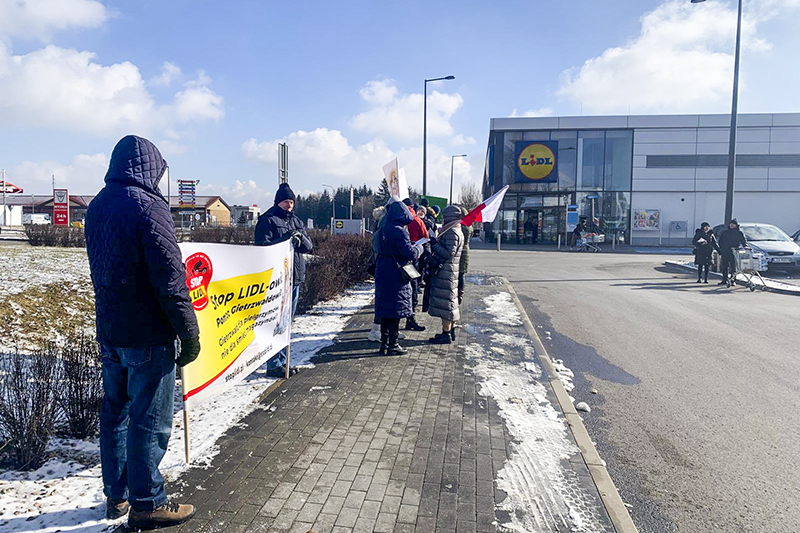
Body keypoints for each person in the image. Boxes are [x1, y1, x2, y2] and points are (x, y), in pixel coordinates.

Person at [85, 135, 199, 529]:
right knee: (149, 419)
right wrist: (189, 333)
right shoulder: (150, 207)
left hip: (110, 330)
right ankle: (147, 501)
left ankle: (115, 497)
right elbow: (171, 281)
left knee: (115, 412)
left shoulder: (98, 205)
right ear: (149, 167)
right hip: (148, 333)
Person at [254, 183, 313, 375]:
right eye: (286, 202)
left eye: (292, 202)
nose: (289, 205)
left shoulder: (296, 221)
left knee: (286, 322)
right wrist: (285, 238)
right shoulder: (267, 220)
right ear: (278, 202)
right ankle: (274, 364)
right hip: (277, 279)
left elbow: (309, 247)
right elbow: (263, 246)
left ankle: (282, 361)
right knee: (276, 322)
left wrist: (299, 239)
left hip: (294, 277)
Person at [374, 198, 423, 355]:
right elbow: (408, 253)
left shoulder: (383, 228)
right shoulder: (399, 230)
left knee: (385, 309)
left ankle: (384, 344)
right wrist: (419, 249)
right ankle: (393, 344)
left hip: (383, 269)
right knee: (395, 309)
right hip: (396, 273)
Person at [428, 205, 465, 345]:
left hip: (446, 272)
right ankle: (451, 331)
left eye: (444, 216)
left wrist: (434, 243)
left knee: (446, 304)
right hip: (450, 271)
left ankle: (446, 333)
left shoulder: (452, 232)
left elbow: (449, 253)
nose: (442, 219)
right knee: (450, 302)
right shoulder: (456, 230)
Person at [403, 198, 428, 331]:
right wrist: (419, 249)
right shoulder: (417, 221)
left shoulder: (392, 222)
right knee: (412, 286)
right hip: (412, 259)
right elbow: (425, 236)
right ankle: (410, 318)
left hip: (396, 262)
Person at [718, 218, 748, 285]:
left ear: (736, 225)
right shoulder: (725, 232)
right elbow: (720, 241)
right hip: (725, 251)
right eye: (731, 224)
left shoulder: (739, 233)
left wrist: (745, 246)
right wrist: (721, 248)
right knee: (724, 266)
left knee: (733, 266)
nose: (731, 225)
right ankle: (724, 280)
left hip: (734, 251)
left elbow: (743, 240)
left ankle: (733, 280)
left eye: (733, 224)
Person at [458, 206, 472, 305]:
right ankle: (461, 292)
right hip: (466, 250)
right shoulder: (469, 225)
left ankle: (459, 293)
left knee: (460, 273)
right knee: (461, 273)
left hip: (461, 250)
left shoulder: (462, 226)